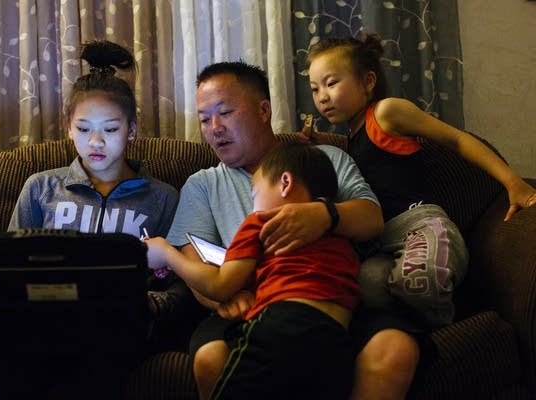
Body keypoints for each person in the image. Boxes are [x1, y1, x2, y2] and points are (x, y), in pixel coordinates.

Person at [303, 33, 536, 398]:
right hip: (381, 246)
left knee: (418, 279)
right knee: (363, 288)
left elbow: (456, 140)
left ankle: (451, 337)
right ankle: (411, 339)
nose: (322, 97)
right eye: (315, 89)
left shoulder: (386, 112)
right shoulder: (347, 140)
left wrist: (513, 182)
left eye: (332, 83)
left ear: (368, 82)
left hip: (420, 225)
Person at [164, 61, 383, 399]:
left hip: (328, 297)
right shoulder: (203, 185)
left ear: (263, 109)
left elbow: (371, 218)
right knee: (210, 358)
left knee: (393, 348)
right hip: (249, 305)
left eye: (225, 113)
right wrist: (229, 297)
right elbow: (196, 264)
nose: (214, 128)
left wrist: (325, 215)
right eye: (205, 119)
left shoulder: (324, 158)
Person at [4, 39, 197, 399]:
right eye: (83, 129)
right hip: (47, 322)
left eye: (110, 129)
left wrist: (154, 304)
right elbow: (10, 270)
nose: (96, 142)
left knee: (96, 355)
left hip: (122, 331)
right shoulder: (40, 188)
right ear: (68, 128)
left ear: (132, 130)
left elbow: (183, 285)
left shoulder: (163, 198)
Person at [146, 143, 361, 399]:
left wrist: (167, 254)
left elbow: (220, 286)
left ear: (285, 183)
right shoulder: (338, 232)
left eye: (255, 193)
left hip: (280, 328)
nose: (254, 204)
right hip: (337, 339)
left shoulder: (263, 221)